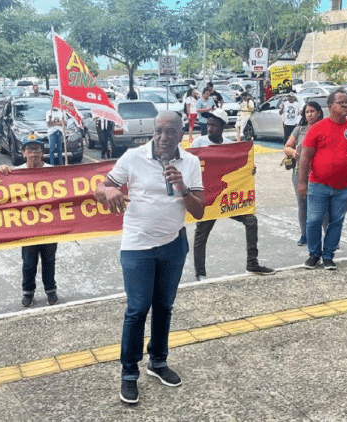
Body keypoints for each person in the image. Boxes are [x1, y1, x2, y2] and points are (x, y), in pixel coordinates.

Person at [95, 111, 205, 405]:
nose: (163, 137)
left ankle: (158, 361)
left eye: (170, 132)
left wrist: (182, 187)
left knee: (164, 306)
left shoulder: (191, 163)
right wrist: (108, 192)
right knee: (137, 308)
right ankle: (129, 373)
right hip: (137, 246)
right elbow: (101, 187)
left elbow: (199, 211)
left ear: (181, 134)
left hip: (173, 245)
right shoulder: (133, 157)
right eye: (159, 131)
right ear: (152, 132)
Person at [192, 109, 274, 280]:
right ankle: (200, 273)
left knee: (251, 221)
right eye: (208, 125)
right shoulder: (199, 143)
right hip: (209, 198)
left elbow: (239, 167)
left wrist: (248, 170)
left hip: (226, 196)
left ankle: (252, 263)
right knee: (201, 235)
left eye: (214, 125)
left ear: (223, 126)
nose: (210, 128)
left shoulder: (231, 146)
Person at [298, 89, 347, 270]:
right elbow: (305, 157)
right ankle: (314, 254)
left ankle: (328, 255)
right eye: (341, 103)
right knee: (313, 220)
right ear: (330, 107)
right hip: (318, 185)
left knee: (336, 221)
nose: (346, 106)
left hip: (344, 187)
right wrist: (302, 182)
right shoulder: (317, 128)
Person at [0, 135, 59, 307]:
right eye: (30, 149)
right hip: (27, 226)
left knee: (49, 259)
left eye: (37, 149)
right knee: (29, 262)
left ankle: (50, 290)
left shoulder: (52, 171)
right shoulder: (15, 172)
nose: (34, 153)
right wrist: (2, 170)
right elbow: (0, 187)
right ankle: (28, 292)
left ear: (42, 152)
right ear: (23, 153)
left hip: (49, 225)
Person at [283, 101, 324, 246]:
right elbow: (287, 147)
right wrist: (294, 152)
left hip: (321, 173)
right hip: (300, 173)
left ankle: (328, 234)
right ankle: (304, 235)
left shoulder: (325, 129)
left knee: (322, 204)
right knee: (303, 204)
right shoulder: (299, 130)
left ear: (319, 113)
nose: (310, 114)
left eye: (312, 111)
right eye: (307, 112)